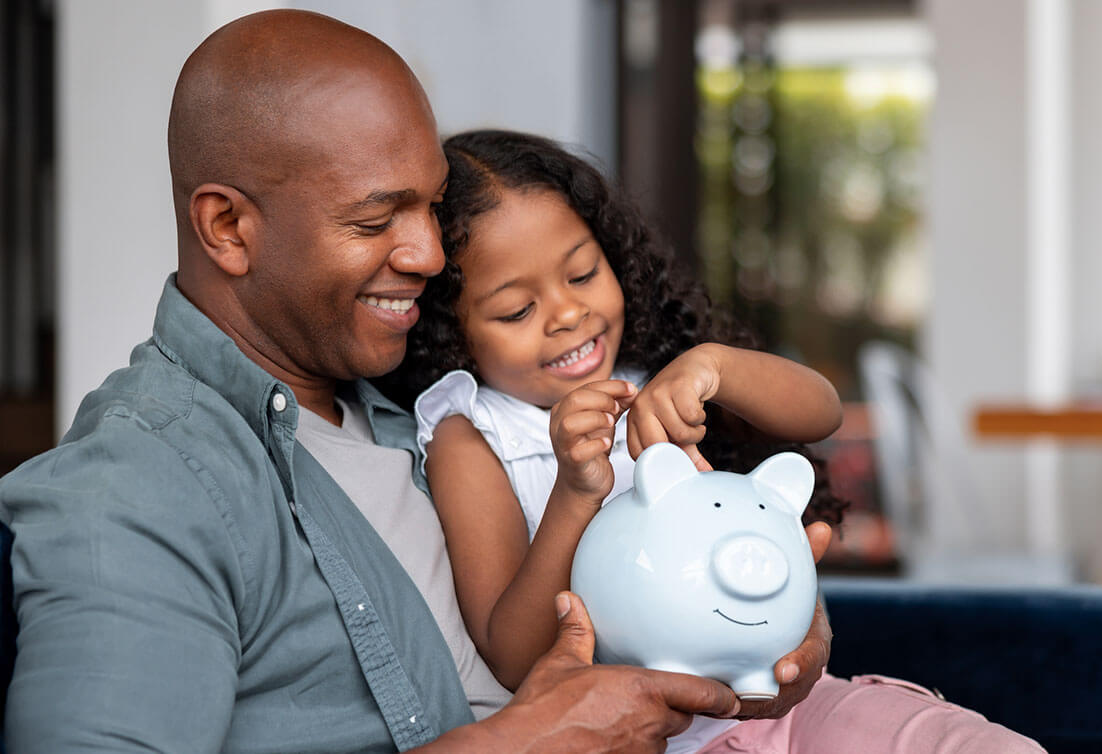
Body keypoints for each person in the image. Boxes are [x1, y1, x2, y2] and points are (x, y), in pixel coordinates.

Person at [0, 10, 747, 753]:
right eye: (372, 221)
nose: (427, 254)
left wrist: (753, 623)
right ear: (228, 228)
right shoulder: (137, 487)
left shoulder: (423, 393)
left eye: (428, 206)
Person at [380, 129, 1047, 754]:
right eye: (516, 311)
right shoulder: (473, 435)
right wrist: (576, 490)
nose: (567, 314)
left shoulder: (654, 376)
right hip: (643, 737)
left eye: (582, 274)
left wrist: (715, 366)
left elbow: (818, 413)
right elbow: (512, 651)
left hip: (788, 709)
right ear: (450, 330)